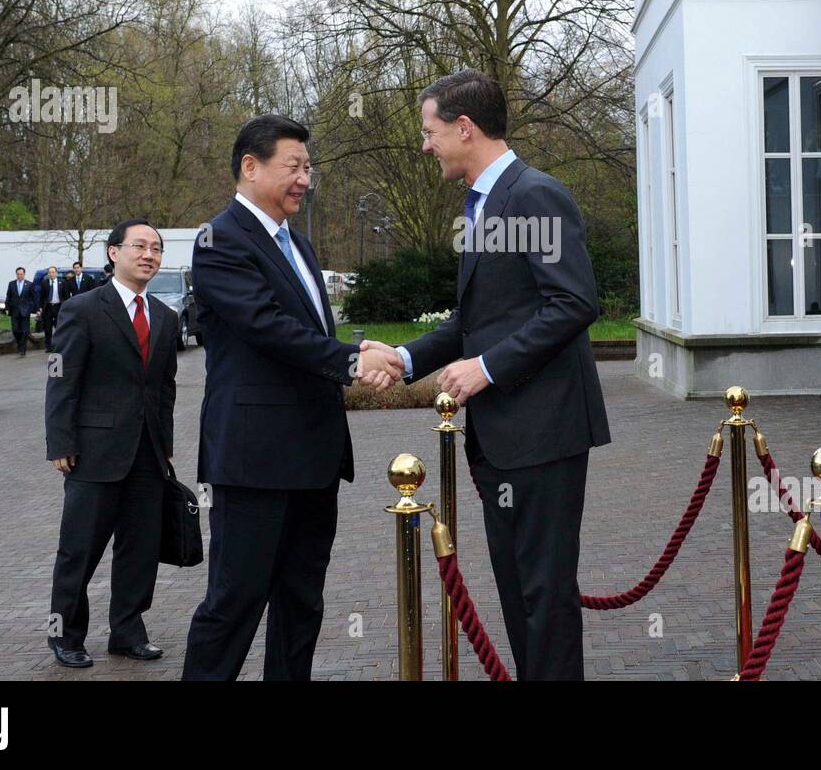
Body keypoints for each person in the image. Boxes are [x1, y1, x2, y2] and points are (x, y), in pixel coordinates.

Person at [362, 69, 610, 680]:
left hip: (544, 435)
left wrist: (488, 369)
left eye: (430, 130)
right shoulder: (486, 204)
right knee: (521, 596)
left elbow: (574, 304)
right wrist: (406, 358)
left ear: (464, 127)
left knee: (544, 597)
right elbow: (477, 320)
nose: (425, 145)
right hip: (505, 440)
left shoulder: (533, 194)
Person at [181, 114, 399, 681]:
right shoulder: (219, 240)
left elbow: (307, 337)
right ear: (250, 167)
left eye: (309, 167)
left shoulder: (297, 242)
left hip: (313, 458)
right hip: (255, 461)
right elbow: (266, 327)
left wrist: (353, 347)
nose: (306, 179)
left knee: (302, 603)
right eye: (294, 166)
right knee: (234, 604)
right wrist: (352, 361)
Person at [45, 218, 179, 668]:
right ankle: (65, 635)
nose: (149, 255)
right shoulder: (82, 309)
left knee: (140, 548)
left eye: (156, 249)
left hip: (148, 453)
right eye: (139, 246)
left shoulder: (164, 316)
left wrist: (167, 444)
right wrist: (60, 441)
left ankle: (128, 631)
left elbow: (164, 388)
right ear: (113, 253)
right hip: (93, 452)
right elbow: (61, 378)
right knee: (79, 548)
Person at [4, 267, 36, 356]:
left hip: (25, 311)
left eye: (21, 274)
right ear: (16, 274)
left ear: (24, 274)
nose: (19, 276)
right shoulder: (11, 284)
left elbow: (33, 297)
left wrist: (35, 308)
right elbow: (8, 297)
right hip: (14, 310)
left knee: (25, 331)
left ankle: (23, 349)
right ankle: (19, 344)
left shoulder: (29, 284)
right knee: (15, 330)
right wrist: (6, 308)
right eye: (18, 274)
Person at [38, 265, 69, 337]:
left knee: (59, 327)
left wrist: (66, 307)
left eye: (53, 272)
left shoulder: (62, 282)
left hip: (59, 307)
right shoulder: (44, 283)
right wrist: (40, 307)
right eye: (49, 272)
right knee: (47, 328)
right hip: (48, 307)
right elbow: (41, 296)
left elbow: (66, 296)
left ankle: (60, 345)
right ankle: (48, 346)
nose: (51, 274)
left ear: (56, 273)